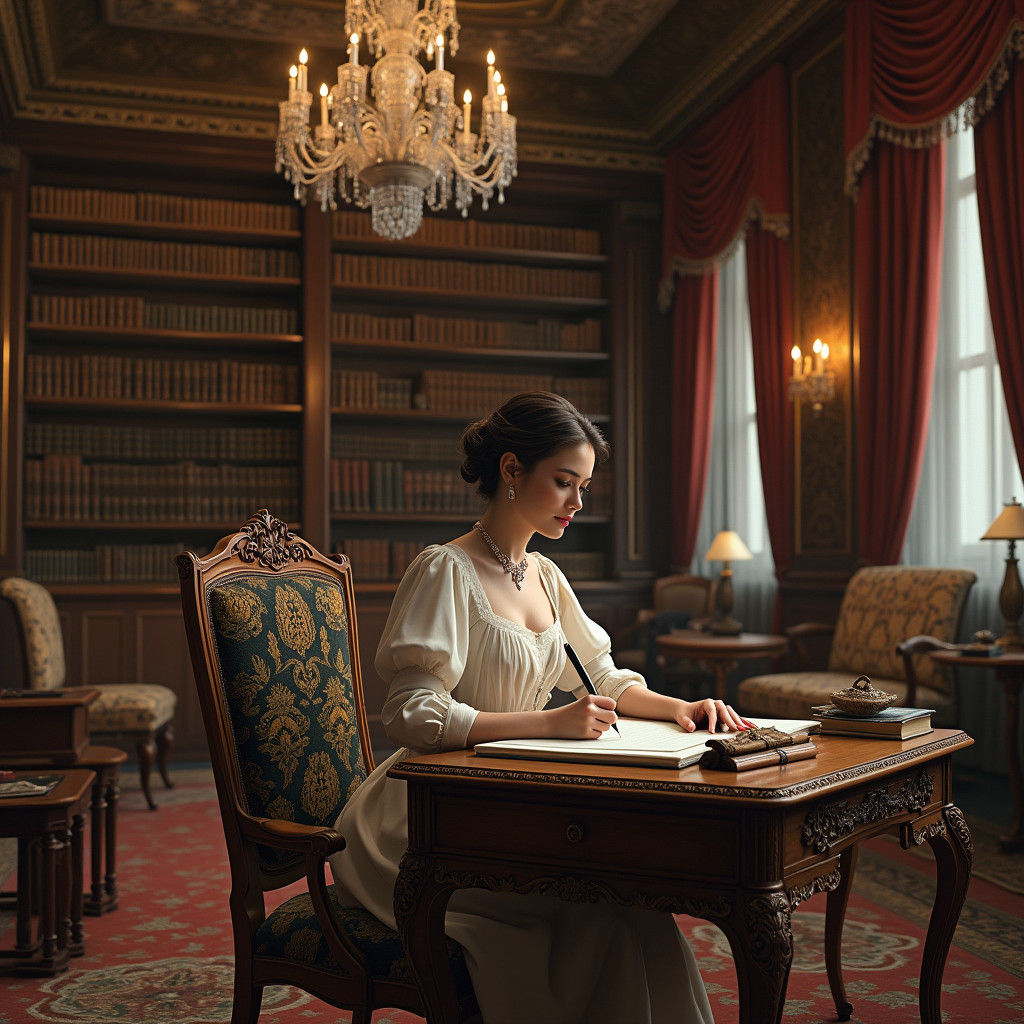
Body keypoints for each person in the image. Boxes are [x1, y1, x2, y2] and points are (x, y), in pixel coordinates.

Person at [329, 391, 752, 1024]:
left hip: (514, 802)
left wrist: (679, 707)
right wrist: (549, 723)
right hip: (427, 818)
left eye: (582, 486)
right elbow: (411, 715)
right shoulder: (445, 570)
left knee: (635, 903)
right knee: (593, 908)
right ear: (509, 469)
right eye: (563, 483)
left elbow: (603, 674)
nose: (577, 503)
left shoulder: (546, 577)